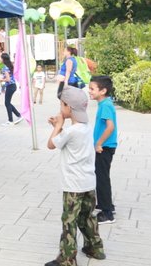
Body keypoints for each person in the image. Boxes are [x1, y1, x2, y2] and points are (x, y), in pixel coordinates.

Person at [45, 86, 105, 266]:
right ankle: (95, 248)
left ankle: (67, 259)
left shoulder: (71, 131)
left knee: (69, 221)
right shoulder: (86, 128)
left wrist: (57, 125)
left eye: (61, 105)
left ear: (68, 107)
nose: (60, 109)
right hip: (88, 182)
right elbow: (67, 141)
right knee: (87, 217)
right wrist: (59, 127)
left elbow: (50, 144)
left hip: (73, 186)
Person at [88, 76, 118, 225]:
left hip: (104, 147)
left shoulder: (105, 105)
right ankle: (107, 204)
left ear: (103, 90)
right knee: (102, 176)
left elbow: (110, 127)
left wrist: (99, 143)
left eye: (92, 89)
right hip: (105, 146)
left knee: (102, 178)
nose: (89, 91)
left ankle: (107, 213)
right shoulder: (104, 103)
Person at [0, 53, 23, 126]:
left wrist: (1, 80)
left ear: (3, 59)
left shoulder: (5, 67)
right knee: (8, 102)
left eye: (0, 57)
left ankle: (10, 120)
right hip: (12, 86)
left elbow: (8, 79)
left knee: (7, 103)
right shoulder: (9, 66)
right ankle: (18, 115)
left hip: (10, 86)